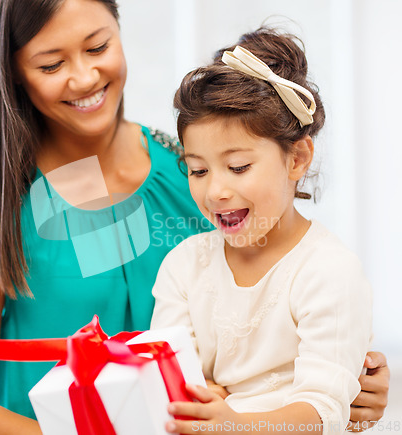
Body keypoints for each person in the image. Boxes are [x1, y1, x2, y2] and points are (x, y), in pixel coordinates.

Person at [0, 1, 389, 433]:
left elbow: (277, 321)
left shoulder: (193, 174)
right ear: (13, 72)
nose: (85, 76)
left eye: (98, 47)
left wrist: (352, 382)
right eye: (51, 64)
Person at [150, 28, 385, 435]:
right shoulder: (184, 266)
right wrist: (203, 395)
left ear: (296, 158)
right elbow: (166, 382)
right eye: (198, 170)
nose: (216, 191)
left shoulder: (328, 271)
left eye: (238, 166)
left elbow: (323, 410)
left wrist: (234, 423)